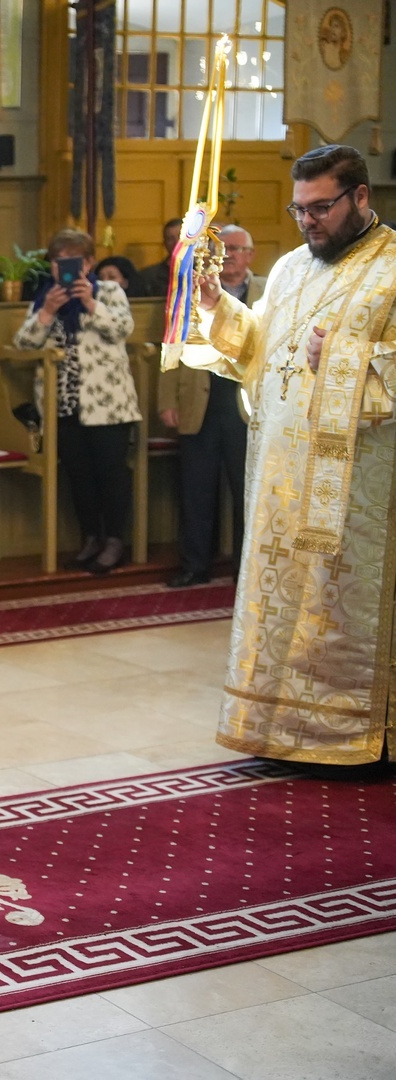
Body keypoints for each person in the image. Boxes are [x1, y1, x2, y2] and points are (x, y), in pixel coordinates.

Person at [183, 144, 395, 774]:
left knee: (340, 610)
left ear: (360, 196)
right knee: (277, 607)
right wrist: (217, 307)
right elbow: (260, 350)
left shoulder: (393, 268)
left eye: (321, 208)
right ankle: (275, 726)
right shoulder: (288, 270)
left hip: (358, 486)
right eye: (299, 209)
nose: (308, 221)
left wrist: (348, 358)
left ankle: (350, 734)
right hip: (278, 477)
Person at [13, 228, 140, 573]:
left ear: (88, 263)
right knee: (79, 476)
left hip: (108, 404)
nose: (64, 268)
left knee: (110, 474)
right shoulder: (45, 296)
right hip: (62, 404)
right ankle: (91, 538)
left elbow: (122, 329)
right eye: (58, 261)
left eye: (73, 261)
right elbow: (23, 344)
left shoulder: (109, 291)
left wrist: (90, 304)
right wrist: (47, 312)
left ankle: (115, 540)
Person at [157, 225, 263, 589]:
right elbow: (172, 340)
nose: (228, 255)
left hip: (247, 408)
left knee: (247, 493)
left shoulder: (269, 291)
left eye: (236, 248)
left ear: (250, 254)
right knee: (196, 490)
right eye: (224, 248)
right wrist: (167, 399)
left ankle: (245, 572)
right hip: (198, 402)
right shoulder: (192, 288)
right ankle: (194, 566)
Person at [129, 217, 182, 298]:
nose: (177, 242)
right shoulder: (148, 277)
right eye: (170, 239)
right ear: (165, 244)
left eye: (180, 237)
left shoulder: (201, 271)